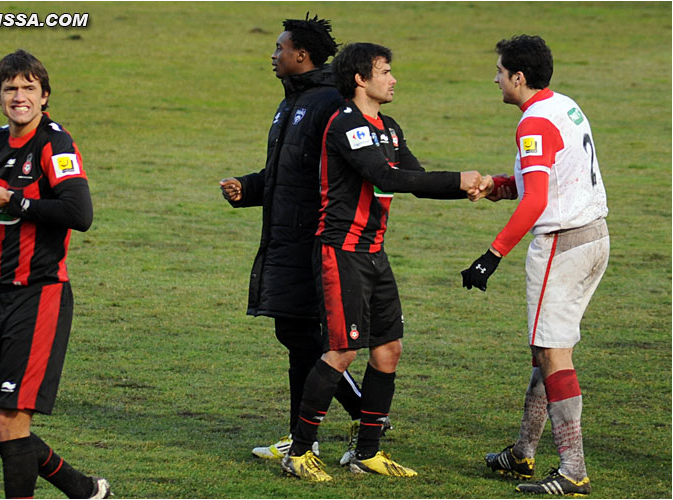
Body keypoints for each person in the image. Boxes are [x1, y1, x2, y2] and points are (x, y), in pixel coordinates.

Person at [280, 42, 487, 481]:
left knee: (388, 349)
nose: (393, 79)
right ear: (361, 78)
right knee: (341, 350)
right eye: (385, 71)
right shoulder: (346, 124)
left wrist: (469, 187)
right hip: (342, 252)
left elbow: (415, 176)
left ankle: (366, 453)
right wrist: (460, 179)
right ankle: (298, 452)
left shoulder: (388, 127)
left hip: (374, 253)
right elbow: (385, 176)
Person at [0, 49, 110, 499]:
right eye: (10, 88)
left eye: (29, 87)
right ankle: (82, 489)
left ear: (44, 96)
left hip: (40, 295)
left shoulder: (55, 143)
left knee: (8, 420)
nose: (19, 95)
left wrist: (11, 200)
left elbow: (79, 213)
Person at [220, 15, 379, 465]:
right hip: (286, 236)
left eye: (279, 48)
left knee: (306, 336)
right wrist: (248, 188)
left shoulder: (329, 102)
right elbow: (288, 174)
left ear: (301, 55)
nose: (273, 55)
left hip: (316, 240)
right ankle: (303, 433)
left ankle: (361, 416)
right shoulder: (291, 103)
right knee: (294, 332)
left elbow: (343, 171)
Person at [461, 35, 609, 496]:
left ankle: (573, 469)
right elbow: (547, 179)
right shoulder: (562, 105)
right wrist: (501, 185)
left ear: (518, 77)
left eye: (500, 71)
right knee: (547, 350)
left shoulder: (532, 124)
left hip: (562, 244)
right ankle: (524, 453)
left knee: (552, 353)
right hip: (594, 236)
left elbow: (541, 200)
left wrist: (492, 255)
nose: (496, 79)